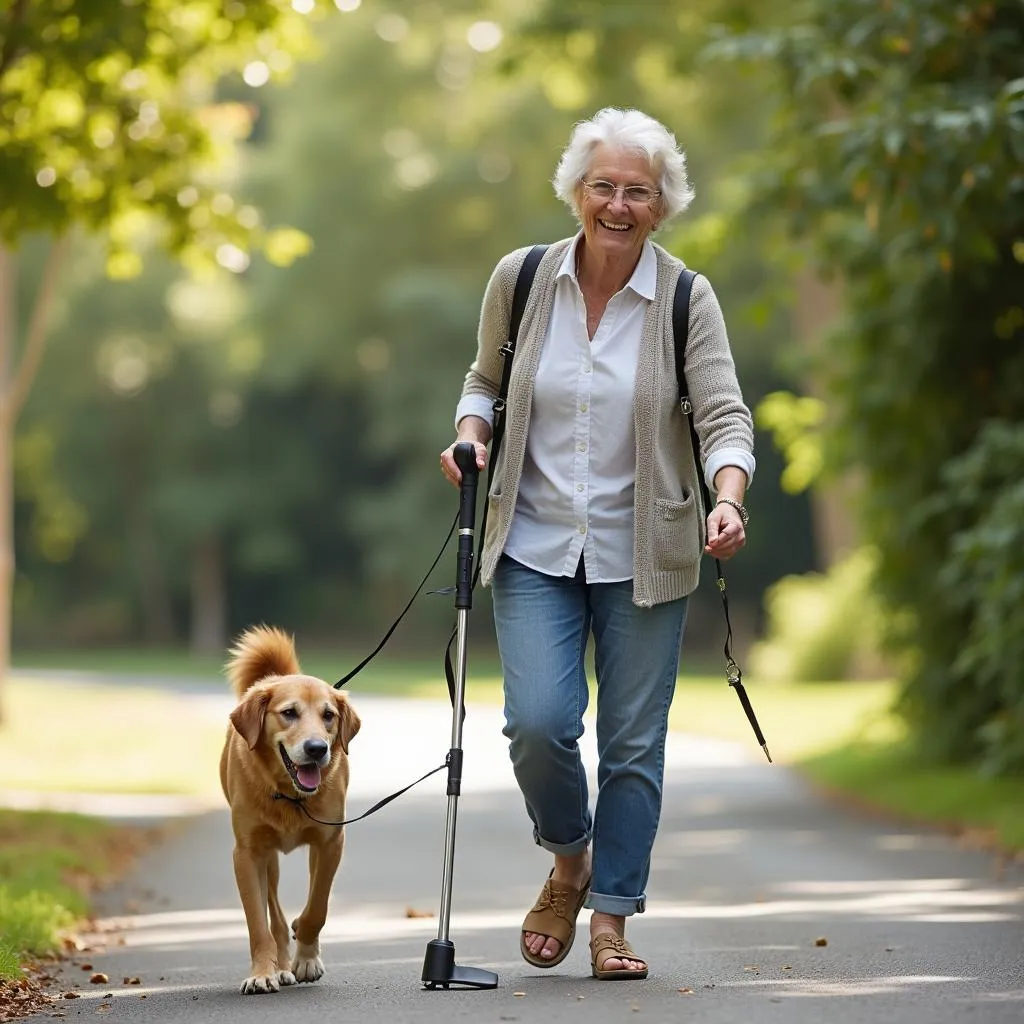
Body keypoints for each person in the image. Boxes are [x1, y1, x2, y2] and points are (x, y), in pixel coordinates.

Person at [439, 107, 755, 981]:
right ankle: (570, 858)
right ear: (577, 191)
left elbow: (725, 412)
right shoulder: (523, 276)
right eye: (603, 186)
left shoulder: (687, 298)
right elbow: (485, 381)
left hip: (646, 553)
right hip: (534, 541)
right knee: (536, 723)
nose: (617, 204)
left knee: (632, 744)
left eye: (637, 192)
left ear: (662, 206)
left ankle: (612, 917)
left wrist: (727, 499)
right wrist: (473, 435)